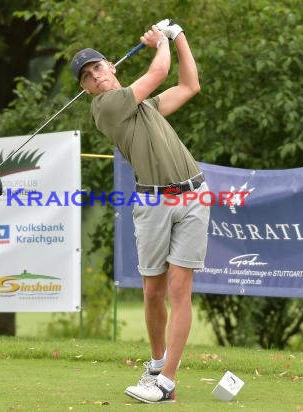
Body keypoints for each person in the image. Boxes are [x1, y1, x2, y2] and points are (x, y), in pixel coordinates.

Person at [71, 19, 210, 404]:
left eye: (98, 66)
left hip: (194, 196)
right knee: (153, 290)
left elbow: (189, 85)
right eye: (86, 76)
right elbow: (160, 71)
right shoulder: (106, 108)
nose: (95, 76)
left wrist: (179, 35)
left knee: (180, 289)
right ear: (85, 89)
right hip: (153, 203)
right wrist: (160, 40)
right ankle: (156, 361)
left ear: (111, 66)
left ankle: (165, 381)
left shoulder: (144, 108)